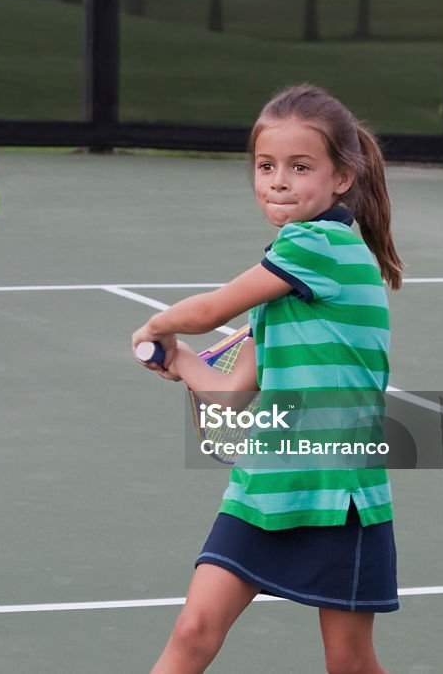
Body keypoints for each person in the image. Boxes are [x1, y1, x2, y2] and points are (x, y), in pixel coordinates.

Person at [132, 84, 403, 674]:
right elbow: (229, 391)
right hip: (267, 487)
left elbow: (210, 313)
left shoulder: (318, 245)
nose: (278, 181)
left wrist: (159, 325)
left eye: (300, 167)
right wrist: (177, 360)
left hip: (338, 495)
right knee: (194, 629)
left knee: (350, 663)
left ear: (342, 178)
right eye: (266, 166)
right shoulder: (286, 287)